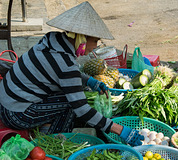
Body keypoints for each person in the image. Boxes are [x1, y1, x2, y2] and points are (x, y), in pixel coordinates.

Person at [0, 1, 144, 147]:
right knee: (72, 103)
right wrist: (120, 130)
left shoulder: (51, 40)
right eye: (95, 41)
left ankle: (50, 131)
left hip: (7, 102)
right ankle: (54, 143)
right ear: (81, 38)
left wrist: (89, 81)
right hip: (15, 114)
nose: (95, 46)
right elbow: (82, 109)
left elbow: (58, 71)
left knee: (74, 94)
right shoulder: (66, 64)